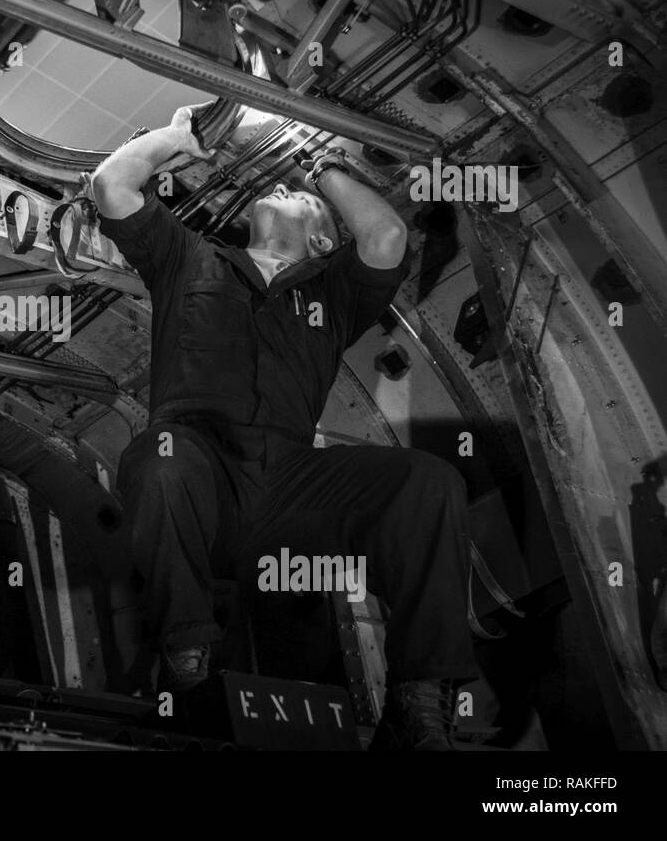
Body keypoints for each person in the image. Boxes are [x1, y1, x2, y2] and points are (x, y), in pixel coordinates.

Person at [89, 102, 477, 750]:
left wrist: (313, 162)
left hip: (289, 489)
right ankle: (189, 654)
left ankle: (415, 699)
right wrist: (176, 138)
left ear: (324, 239)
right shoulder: (189, 259)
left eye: (299, 198)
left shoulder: (332, 291)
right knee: (160, 454)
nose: (281, 192)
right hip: (197, 472)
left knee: (428, 481)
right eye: (287, 188)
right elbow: (110, 186)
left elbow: (384, 238)